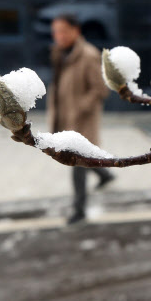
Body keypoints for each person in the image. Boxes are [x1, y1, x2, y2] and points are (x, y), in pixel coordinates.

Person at [47, 14, 115, 225]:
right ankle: (105, 176)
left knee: (77, 165)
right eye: (55, 31)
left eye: (63, 31)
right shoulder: (59, 53)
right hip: (64, 117)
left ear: (76, 31)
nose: (59, 36)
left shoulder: (88, 55)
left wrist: (79, 108)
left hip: (81, 121)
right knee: (81, 160)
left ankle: (79, 210)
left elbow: (101, 89)